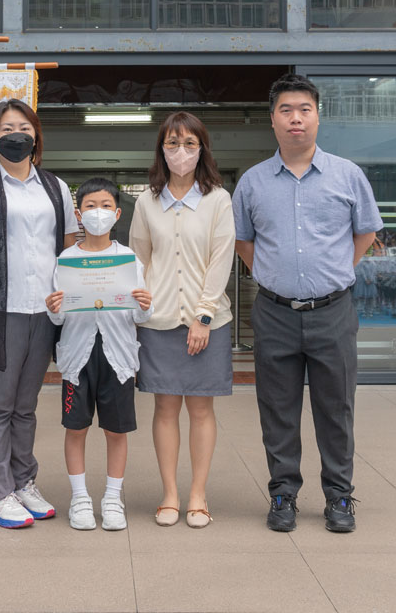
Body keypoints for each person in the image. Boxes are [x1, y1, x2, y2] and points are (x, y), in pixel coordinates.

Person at [232, 73, 383, 534]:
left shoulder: (347, 175)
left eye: (304, 110)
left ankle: (339, 496)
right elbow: (244, 241)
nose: (295, 118)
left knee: (336, 409)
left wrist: (334, 272)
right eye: (286, 110)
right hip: (274, 312)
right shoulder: (253, 182)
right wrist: (273, 276)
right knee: (276, 409)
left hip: (333, 312)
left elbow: (366, 233)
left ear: (318, 117)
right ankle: (283, 494)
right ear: (272, 119)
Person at [0, 99, 78, 529]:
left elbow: (70, 251)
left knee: (25, 406)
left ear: (36, 136)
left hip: (44, 311)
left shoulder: (55, 187)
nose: (16, 135)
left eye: (24, 127)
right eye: (6, 129)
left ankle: (24, 482)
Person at [128, 111, 235, 529]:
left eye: (190, 143)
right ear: (162, 149)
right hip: (159, 321)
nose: (181, 151)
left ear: (202, 149)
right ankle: (170, 494)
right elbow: (139, 259)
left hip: (206, 322)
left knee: (202, 408)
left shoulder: (217, 199)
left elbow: (221, 259)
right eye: (173, 143)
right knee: (165, 406)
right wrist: (139, 306)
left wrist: (203, 316)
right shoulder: (146, 201)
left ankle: (198, 495)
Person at [45, 178, 152, 531]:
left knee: (116, 431)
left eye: (105, 206)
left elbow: (140, 316)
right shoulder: (67, 260)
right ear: (79, 214)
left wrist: (145, 305)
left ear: (117, 214)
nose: (98, 213)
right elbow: (58, 317)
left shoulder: (128, 259)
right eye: (90, 206)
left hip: (117, 357)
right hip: (77, 358)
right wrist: (54, 308)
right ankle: (79, 499)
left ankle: (112, 498)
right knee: (76, 428)